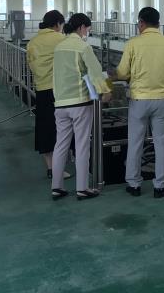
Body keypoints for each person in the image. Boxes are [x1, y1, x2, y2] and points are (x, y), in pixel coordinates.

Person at [116, 7, 164, 199]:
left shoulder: (132, 44)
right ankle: (160, 186)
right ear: (159, 24)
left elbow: (122, 73)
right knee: (161, 143)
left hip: (139, 100)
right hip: (162, 99)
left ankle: (134, 184)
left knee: (135, 142)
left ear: (141, 23)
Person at [51, 13, 111, 201]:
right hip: (80, 102)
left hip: (60, 103)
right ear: (81, 27)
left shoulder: (59, 47)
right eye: (88, 29)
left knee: (61, 145)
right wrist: (105, 91)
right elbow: (95, 72)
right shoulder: (83, 47)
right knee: (82, 145)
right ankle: (82, 188)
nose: (87, 33)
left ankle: (56, 187)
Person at [26, 10, 71, 179]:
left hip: (41, 89)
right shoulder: (61, 39)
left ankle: (51, 168)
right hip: (59, 90)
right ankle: (59, 169)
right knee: (61, 130)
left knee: (45, 129)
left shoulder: (33, 42)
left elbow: (31, 64)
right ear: (58, 24)